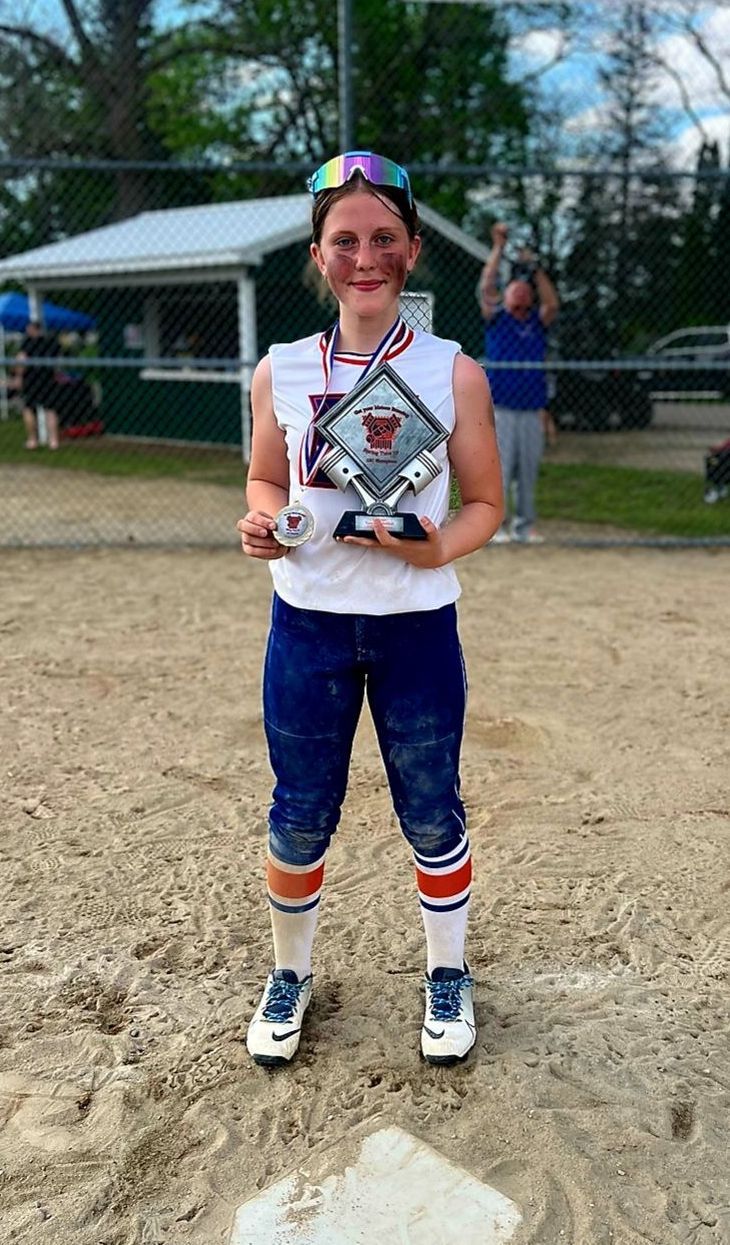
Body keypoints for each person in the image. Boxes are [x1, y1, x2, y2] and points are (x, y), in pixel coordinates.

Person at [236, 150, 503, 1069]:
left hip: (416, 622)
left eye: (384, 238)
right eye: (345, 239)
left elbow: (484, 505)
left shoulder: (453, 372)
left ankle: (447, 972)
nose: (365, 256)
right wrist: (264, 521)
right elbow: (268, 477)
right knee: (301, 809)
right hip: (306, 620)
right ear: (317, 255)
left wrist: (434, 547)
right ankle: (291, 973)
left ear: (413, 250)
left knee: (430, 807)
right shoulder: (280, 369)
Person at [478, 222, 559, 543]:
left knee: (528, 470)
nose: (520, 290)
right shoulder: (498, 319)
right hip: (501, 407)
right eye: (514, 287)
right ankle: (496, 527)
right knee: (500, 469)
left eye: (524, 289)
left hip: (532, 408)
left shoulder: (537, 324)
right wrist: (498, 247)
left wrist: (535, 268)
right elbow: (486, 286)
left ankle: (525, 526)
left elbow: (551, 303)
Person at [16, 321, 61, 451]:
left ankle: (32, 440)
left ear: (32, 329)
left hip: (31, 379)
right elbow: (57, 361)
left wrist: (19, 376)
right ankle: (53, 441)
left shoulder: (28, 342)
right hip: (48, 379)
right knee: (50, 410)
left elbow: (21, 359)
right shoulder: (51, 342)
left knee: (29, 409)